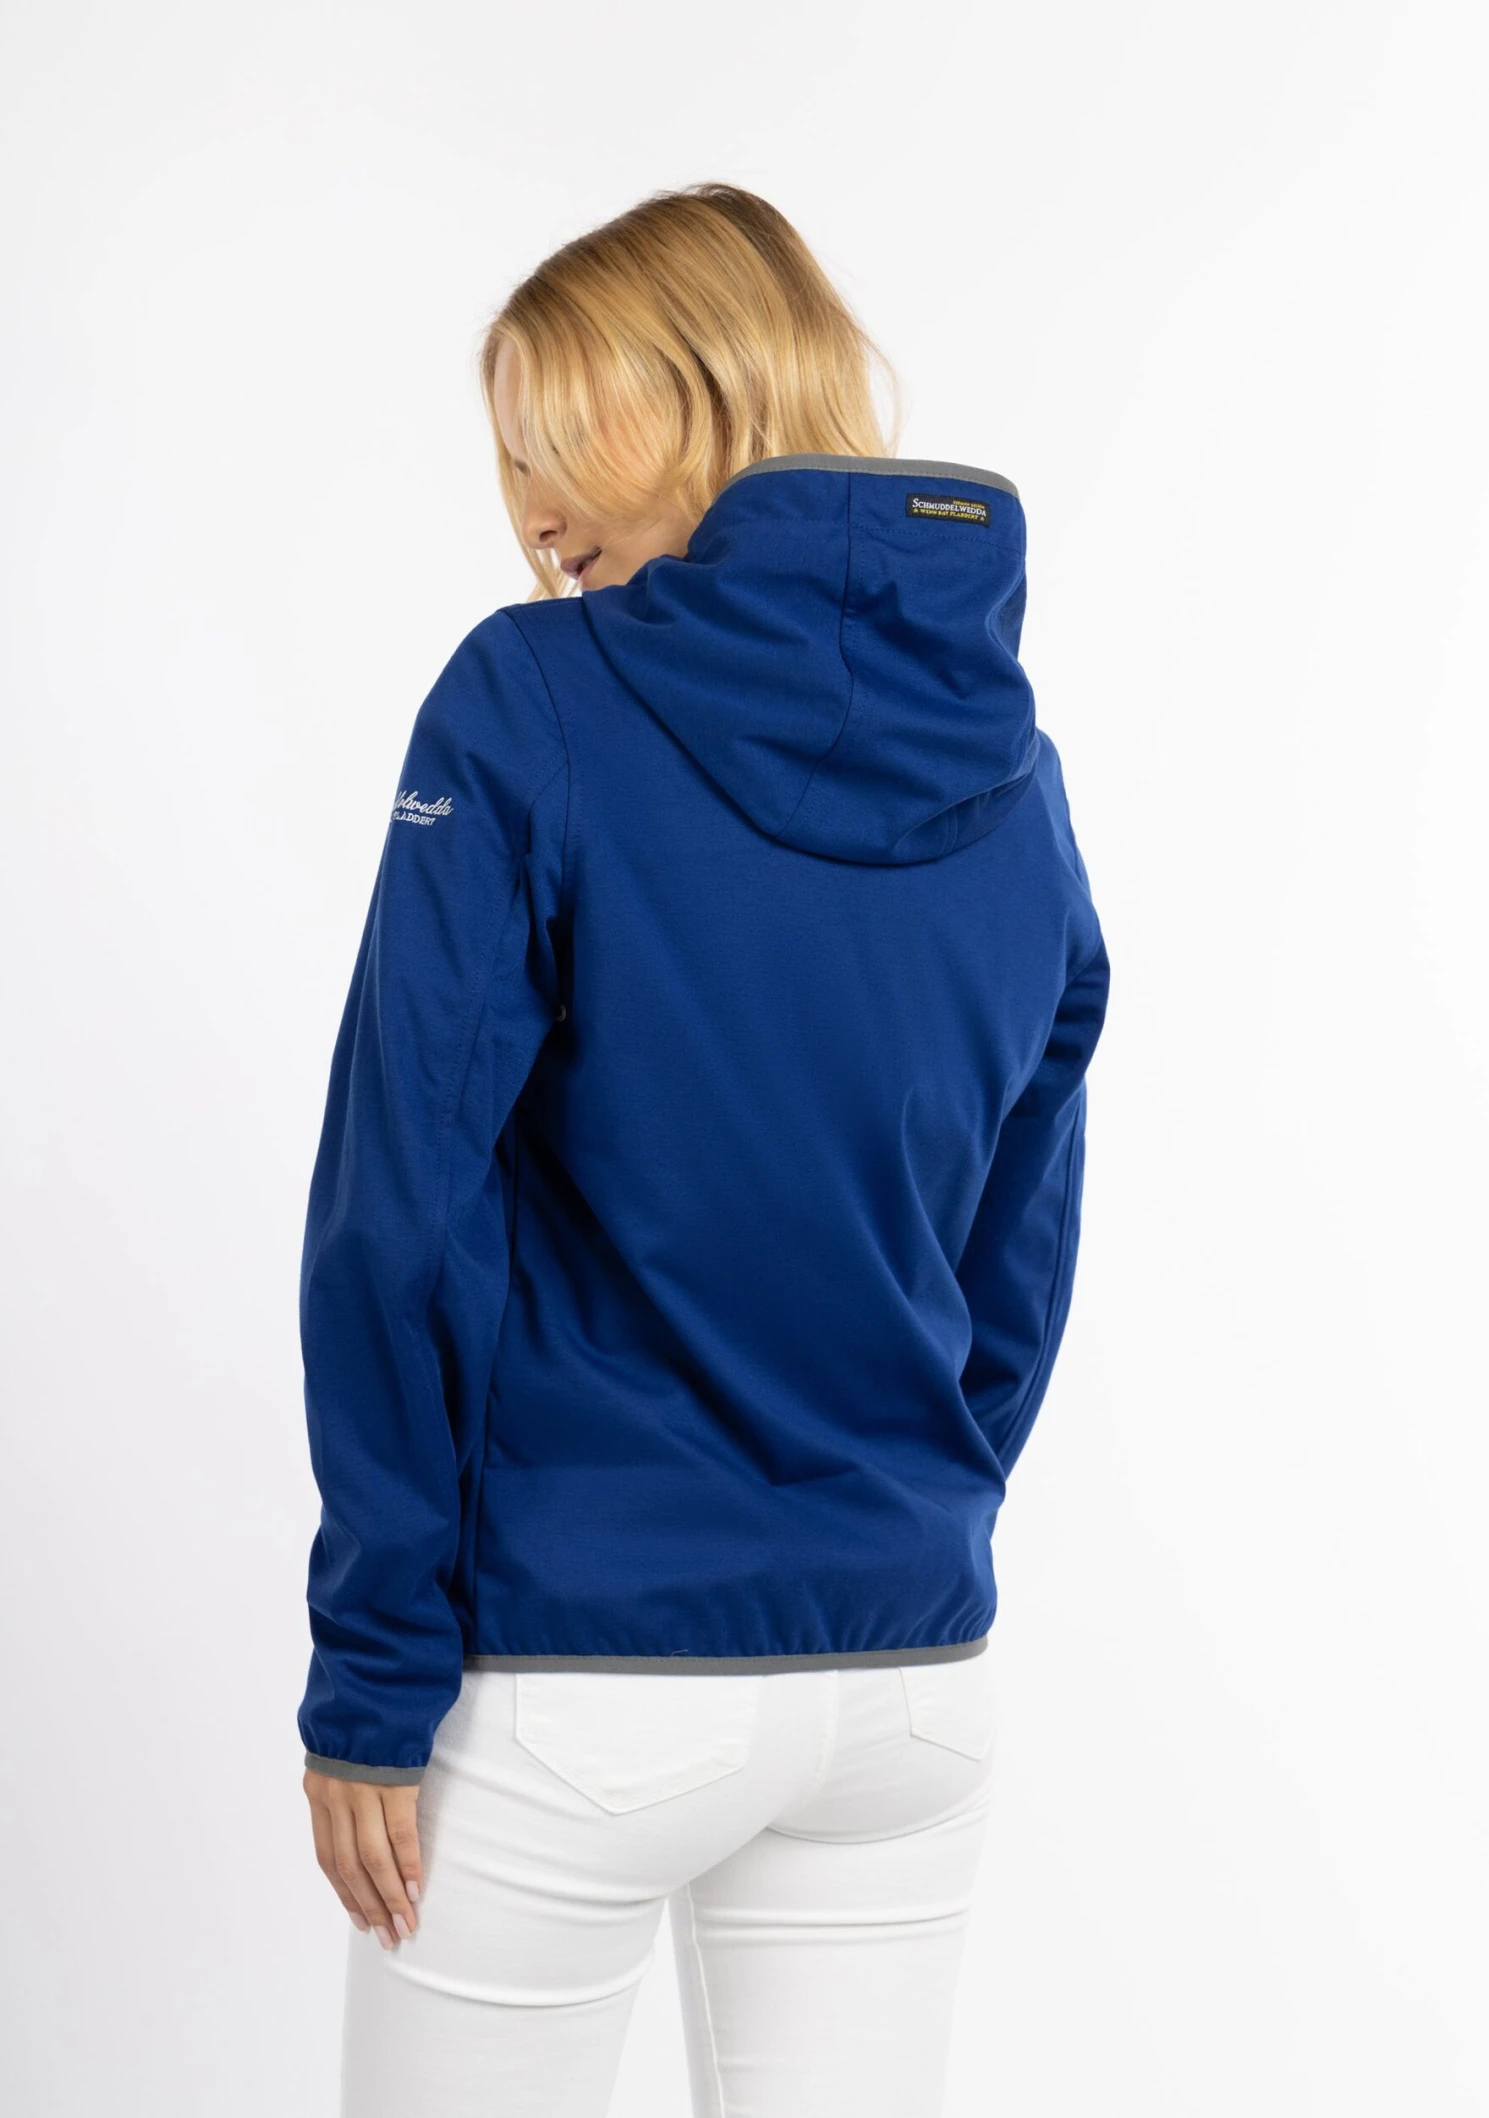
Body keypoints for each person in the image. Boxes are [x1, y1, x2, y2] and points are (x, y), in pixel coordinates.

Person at [296, 180, 1109, 2118]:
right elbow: (1023, 1229)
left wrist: (372, 1662)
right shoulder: (1017, 772)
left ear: (705, 390)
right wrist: (906, 1498)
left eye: (559, 434)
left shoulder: (528, 703)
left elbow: (401, 1207)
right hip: (900, 1690)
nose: (529, 510)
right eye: (506, 456)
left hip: (572, 1682)